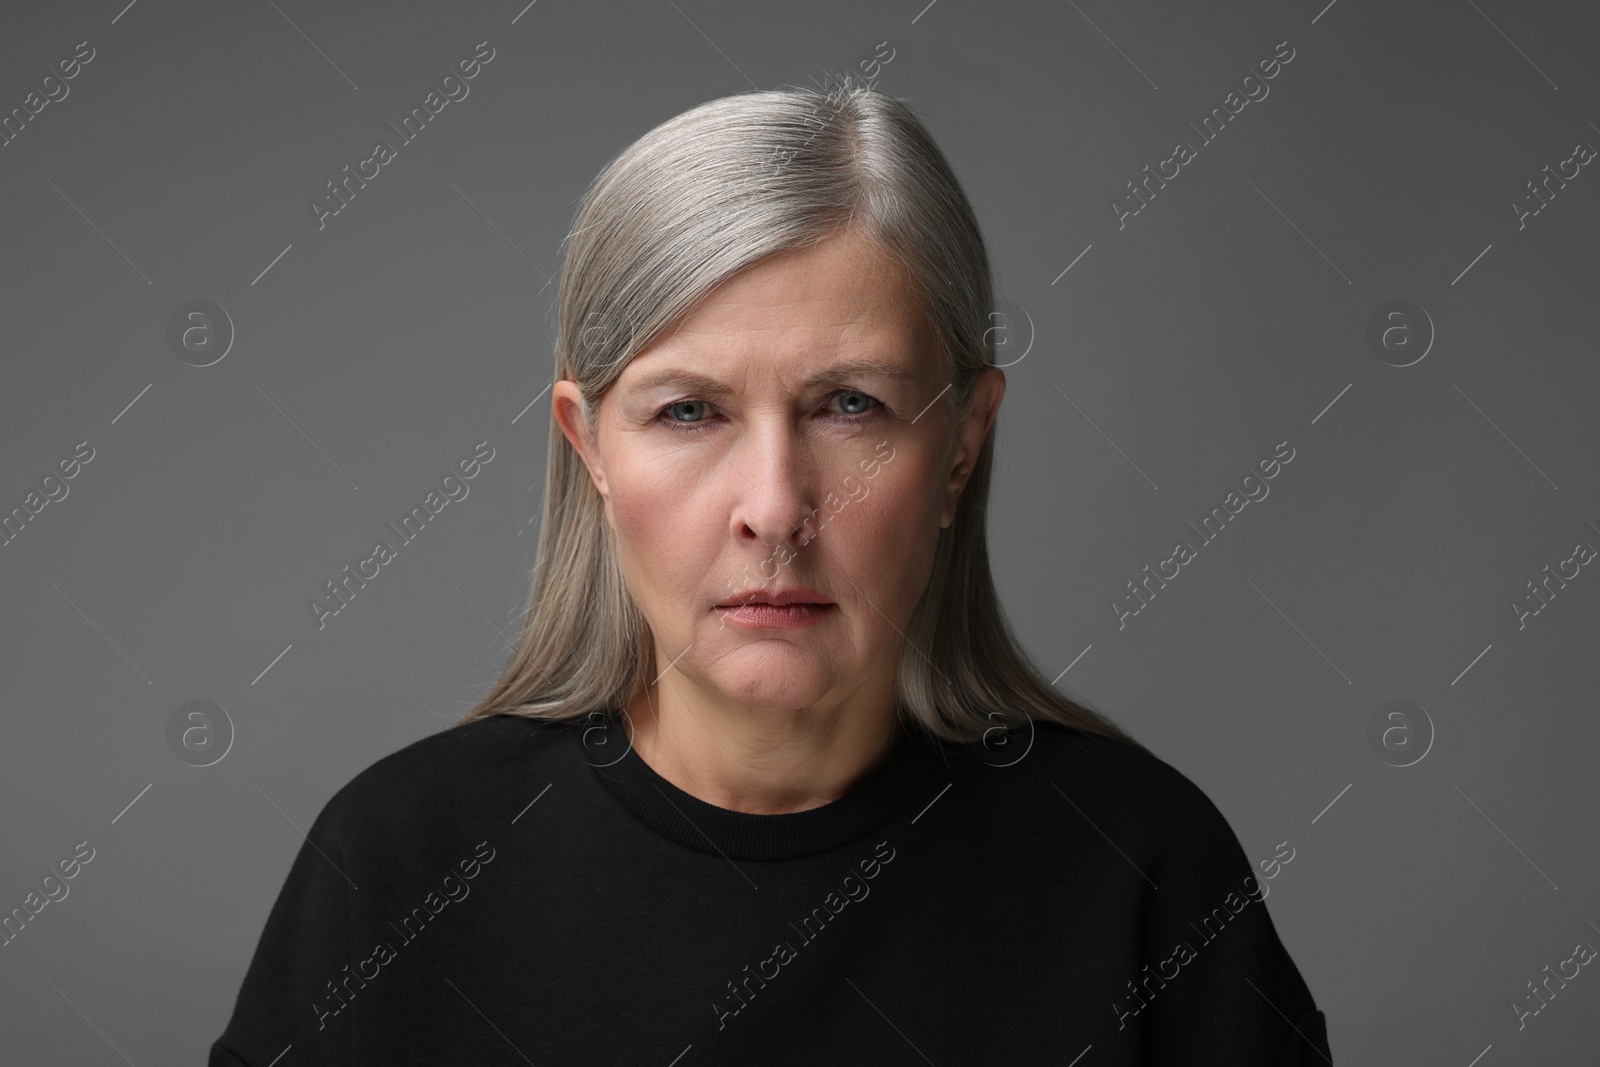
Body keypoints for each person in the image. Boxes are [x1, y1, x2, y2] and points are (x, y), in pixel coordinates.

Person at [209, 72, 1332, 1065]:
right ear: (589, 444)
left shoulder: (1141, 873)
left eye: (851, 405)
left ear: (962, 443)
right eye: (688, 410)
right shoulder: (396, 867)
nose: (774, 508)